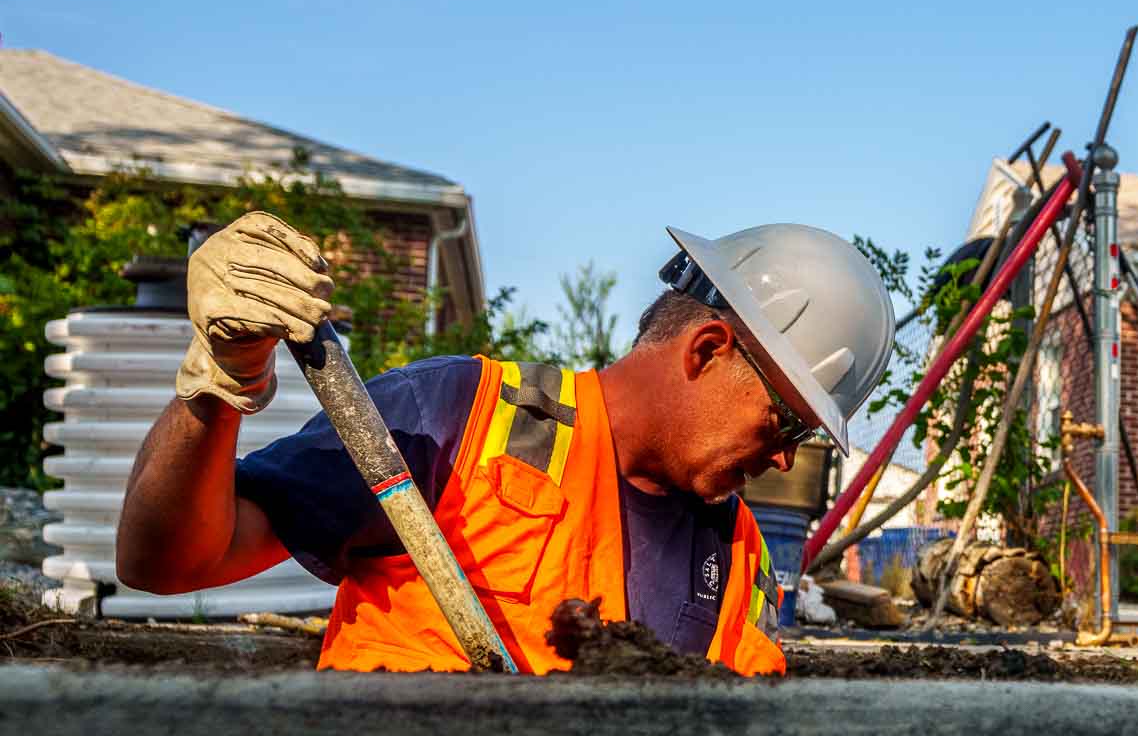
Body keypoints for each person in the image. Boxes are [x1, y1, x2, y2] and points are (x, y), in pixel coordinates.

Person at [115, 212, 895, 675]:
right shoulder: (455, 417)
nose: (788, 458)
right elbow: (166, 562)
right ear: (705, 351)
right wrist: (217, 388)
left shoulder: (739, 553)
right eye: (786, 421)